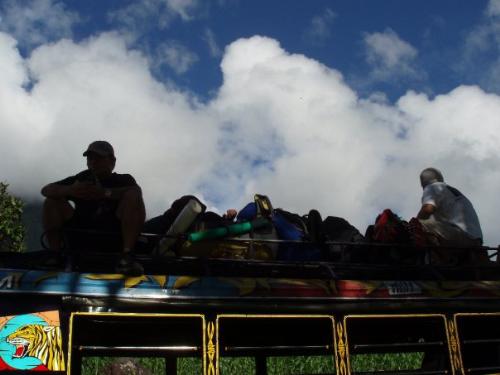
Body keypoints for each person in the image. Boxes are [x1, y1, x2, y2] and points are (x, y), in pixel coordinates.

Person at [41, 141, 145, 275]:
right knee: (52, 201)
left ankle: (127, 256)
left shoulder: (124, 180)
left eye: (99, 158)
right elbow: (46, 190)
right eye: (90, 158)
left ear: (112, 161)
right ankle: (54, 256)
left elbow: (135, 192)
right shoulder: (81, 178)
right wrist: (70, 190)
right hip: (80, 236)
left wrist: (105, 193)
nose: (93, 162)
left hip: (113, 238)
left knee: (133, 195)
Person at [417, 167, 485, 262]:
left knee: (417, 225)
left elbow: (427, 209)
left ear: (422, 182)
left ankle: (432, 262)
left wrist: (414, 224)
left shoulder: (432, 187)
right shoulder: (449, 190)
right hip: (475, 239)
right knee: (430, 228)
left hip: (461, 236)